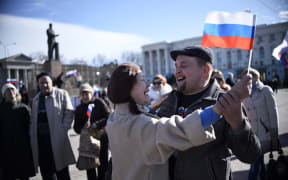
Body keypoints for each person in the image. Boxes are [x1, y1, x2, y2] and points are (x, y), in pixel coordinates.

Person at [105, 62, 253, 180]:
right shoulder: (142, 126)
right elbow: (184, 129)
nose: (149, 85)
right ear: (127, 87)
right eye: (143, 80)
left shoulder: (114, 119)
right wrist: (227, 101)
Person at [157, 46, 261, 180]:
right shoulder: (170, 99)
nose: (177, 71)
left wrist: (239, 125)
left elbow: (251, 155)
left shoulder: (225, 101)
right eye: (176, 66)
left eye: (183, 66)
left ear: (205, 70)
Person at [30, 72, 75, 180]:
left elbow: (69, 112)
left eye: (46, 82)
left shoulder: (62, 94)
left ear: (52, 83)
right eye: (41, 83)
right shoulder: (35, 100)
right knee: (47, 173)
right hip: (42, 144)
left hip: (57, 140)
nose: (44, 85)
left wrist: (63, 129)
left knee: (62, 172)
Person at [242, 68, 279, 180]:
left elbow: (273, 112)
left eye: (248, 77)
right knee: (259, 160)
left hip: (265, 131)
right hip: (252, 133)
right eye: (244, 78)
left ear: (255, 77)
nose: (246, 80)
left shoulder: (266, 90)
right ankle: (263, 176)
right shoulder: (245, 93)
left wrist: (274, 133)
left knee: (255, 162)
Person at [74, 83, 111, 180]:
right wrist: (83, 128)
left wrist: (96, 124)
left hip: (101, 138)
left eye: (87, 94)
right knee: (90, 167)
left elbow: (108, 116)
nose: (85, 96)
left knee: (103, 165)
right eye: (83, 94)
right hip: (88, 142)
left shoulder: (99, 102)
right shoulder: (79, 108)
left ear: (92, 93)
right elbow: (76, 127)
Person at [0, 83, 35, 180]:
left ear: (16, 92)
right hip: (6, 152)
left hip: (23, 151)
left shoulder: (24, 108)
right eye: (7, 91)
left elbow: (31, 129)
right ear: (3, 94)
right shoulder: (1, 110)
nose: (10, 92)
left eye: (12, 90)